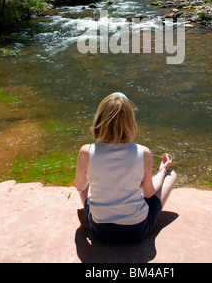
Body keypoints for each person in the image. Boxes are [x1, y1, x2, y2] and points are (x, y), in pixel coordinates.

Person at [75, 92, 177, 243]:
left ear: (99, 119)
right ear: (130, 122)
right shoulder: (143, 152)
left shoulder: (86, 151)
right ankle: (164, 173)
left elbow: (80, 186)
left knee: (84, 182)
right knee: (171, 175)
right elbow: (148, 193)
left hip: (101, 231)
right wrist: (162, 170)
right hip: (136, 231)